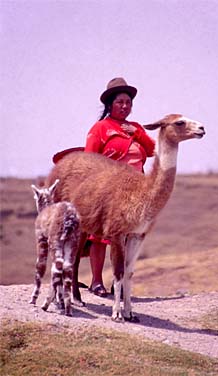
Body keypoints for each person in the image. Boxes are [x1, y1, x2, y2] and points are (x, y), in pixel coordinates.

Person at [85, 77, 155, 297]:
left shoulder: (135, 128)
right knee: (101, 236)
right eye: (120, 102)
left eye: (128, 102)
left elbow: (152, 150)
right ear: (110, 105)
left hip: (135, 193)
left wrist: (138, 134)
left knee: (127, 237)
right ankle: (96, 281)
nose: (125, 106)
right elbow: (89, 159)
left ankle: (121, 282)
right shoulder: (100, 128)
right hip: (108, 191)